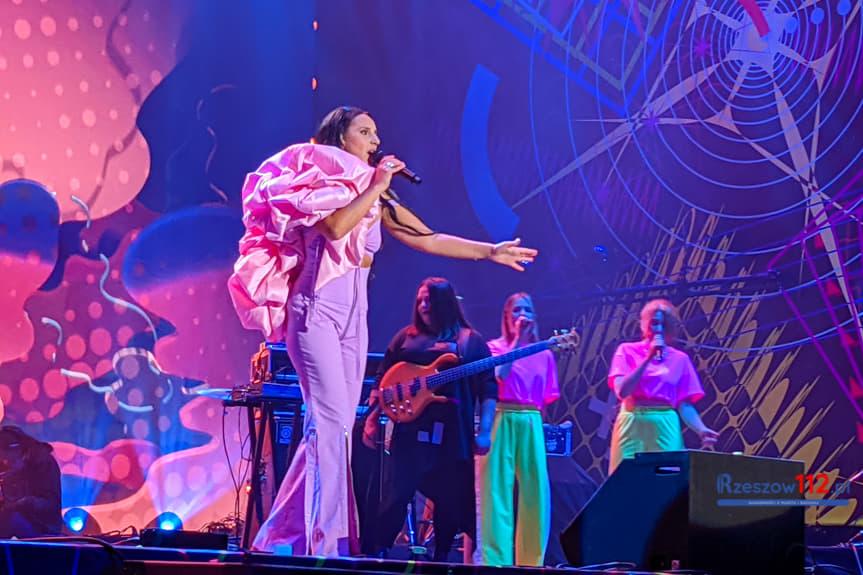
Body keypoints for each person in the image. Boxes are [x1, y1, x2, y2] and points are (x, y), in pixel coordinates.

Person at [228, 106, 537, 557]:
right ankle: (325, 546)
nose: (376, 140)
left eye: (376, 132)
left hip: (355, 317)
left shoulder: (374, 195)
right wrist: (375, 183)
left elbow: (427, 237)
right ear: (340, 137)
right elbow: (335, 229)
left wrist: (490, 251)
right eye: (365, 131)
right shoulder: (323, 181)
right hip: (314, 309)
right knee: (330, 424)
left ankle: (282, 537)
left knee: (334, 428)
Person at [361, 277, 497, 562]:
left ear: (444, 303)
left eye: (429, 300)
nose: (423, 305)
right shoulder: (405, 337)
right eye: (420, 300)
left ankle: (442, 557)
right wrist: (372, 419)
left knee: (450, 497)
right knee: (397, 492)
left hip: (452, 433)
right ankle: (380, 552)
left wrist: (485, 431)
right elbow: (381, 379)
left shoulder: (469, 340)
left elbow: (488, 389)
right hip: (410, 432)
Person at [475, 292, 559, 567]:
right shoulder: (494, 347)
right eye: (517, 310)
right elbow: (500, 376)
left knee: (536, 492)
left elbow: (545, 399)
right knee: (495, 491)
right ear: (507, 316)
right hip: (501, 415)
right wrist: (517, 341)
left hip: (531, 419)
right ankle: (494, 562)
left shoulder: (544, 353)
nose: (522, 315)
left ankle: (531, 562)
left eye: (527, 310)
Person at [608, 299, 718, 474]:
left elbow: (684, 404)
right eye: (654, 323)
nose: (658, 329)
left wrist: (701, 429)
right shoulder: (627, 350)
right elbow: (622, 391)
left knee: (666, 476)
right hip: (632, 420)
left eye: (663, 324)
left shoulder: (680, 359)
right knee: (627, 477)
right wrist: (648, 358)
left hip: (665, 423)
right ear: (644, 324)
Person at [0, 426, 62, 538]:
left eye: (8, 459)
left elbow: (51, 505)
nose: (5, 463)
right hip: (20, 520)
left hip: (43, 528)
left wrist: (23, 503)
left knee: (8, 518)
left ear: (17, 449)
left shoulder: (43, 463)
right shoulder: (9, 467)